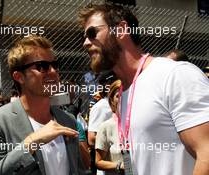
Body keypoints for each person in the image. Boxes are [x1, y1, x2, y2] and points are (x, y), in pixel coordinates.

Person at [79, 3, 209, 175]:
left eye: (92, 33)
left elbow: (206, 153)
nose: (85, 43)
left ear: (121, 30)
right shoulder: (124, 92)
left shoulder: (173, 74)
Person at [0, 35, 86, 175]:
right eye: (42, 66)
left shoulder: (67, 120)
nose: (53, 72)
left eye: (55, 65)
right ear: (19, 76)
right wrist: (32, 142)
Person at [95, 80, 124, 175]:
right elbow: (98, 162)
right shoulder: (106, 127)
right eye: (118, 96)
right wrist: (119, 166)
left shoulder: (138, 124)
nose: (122, 99)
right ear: (112, 100)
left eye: (125, 94)